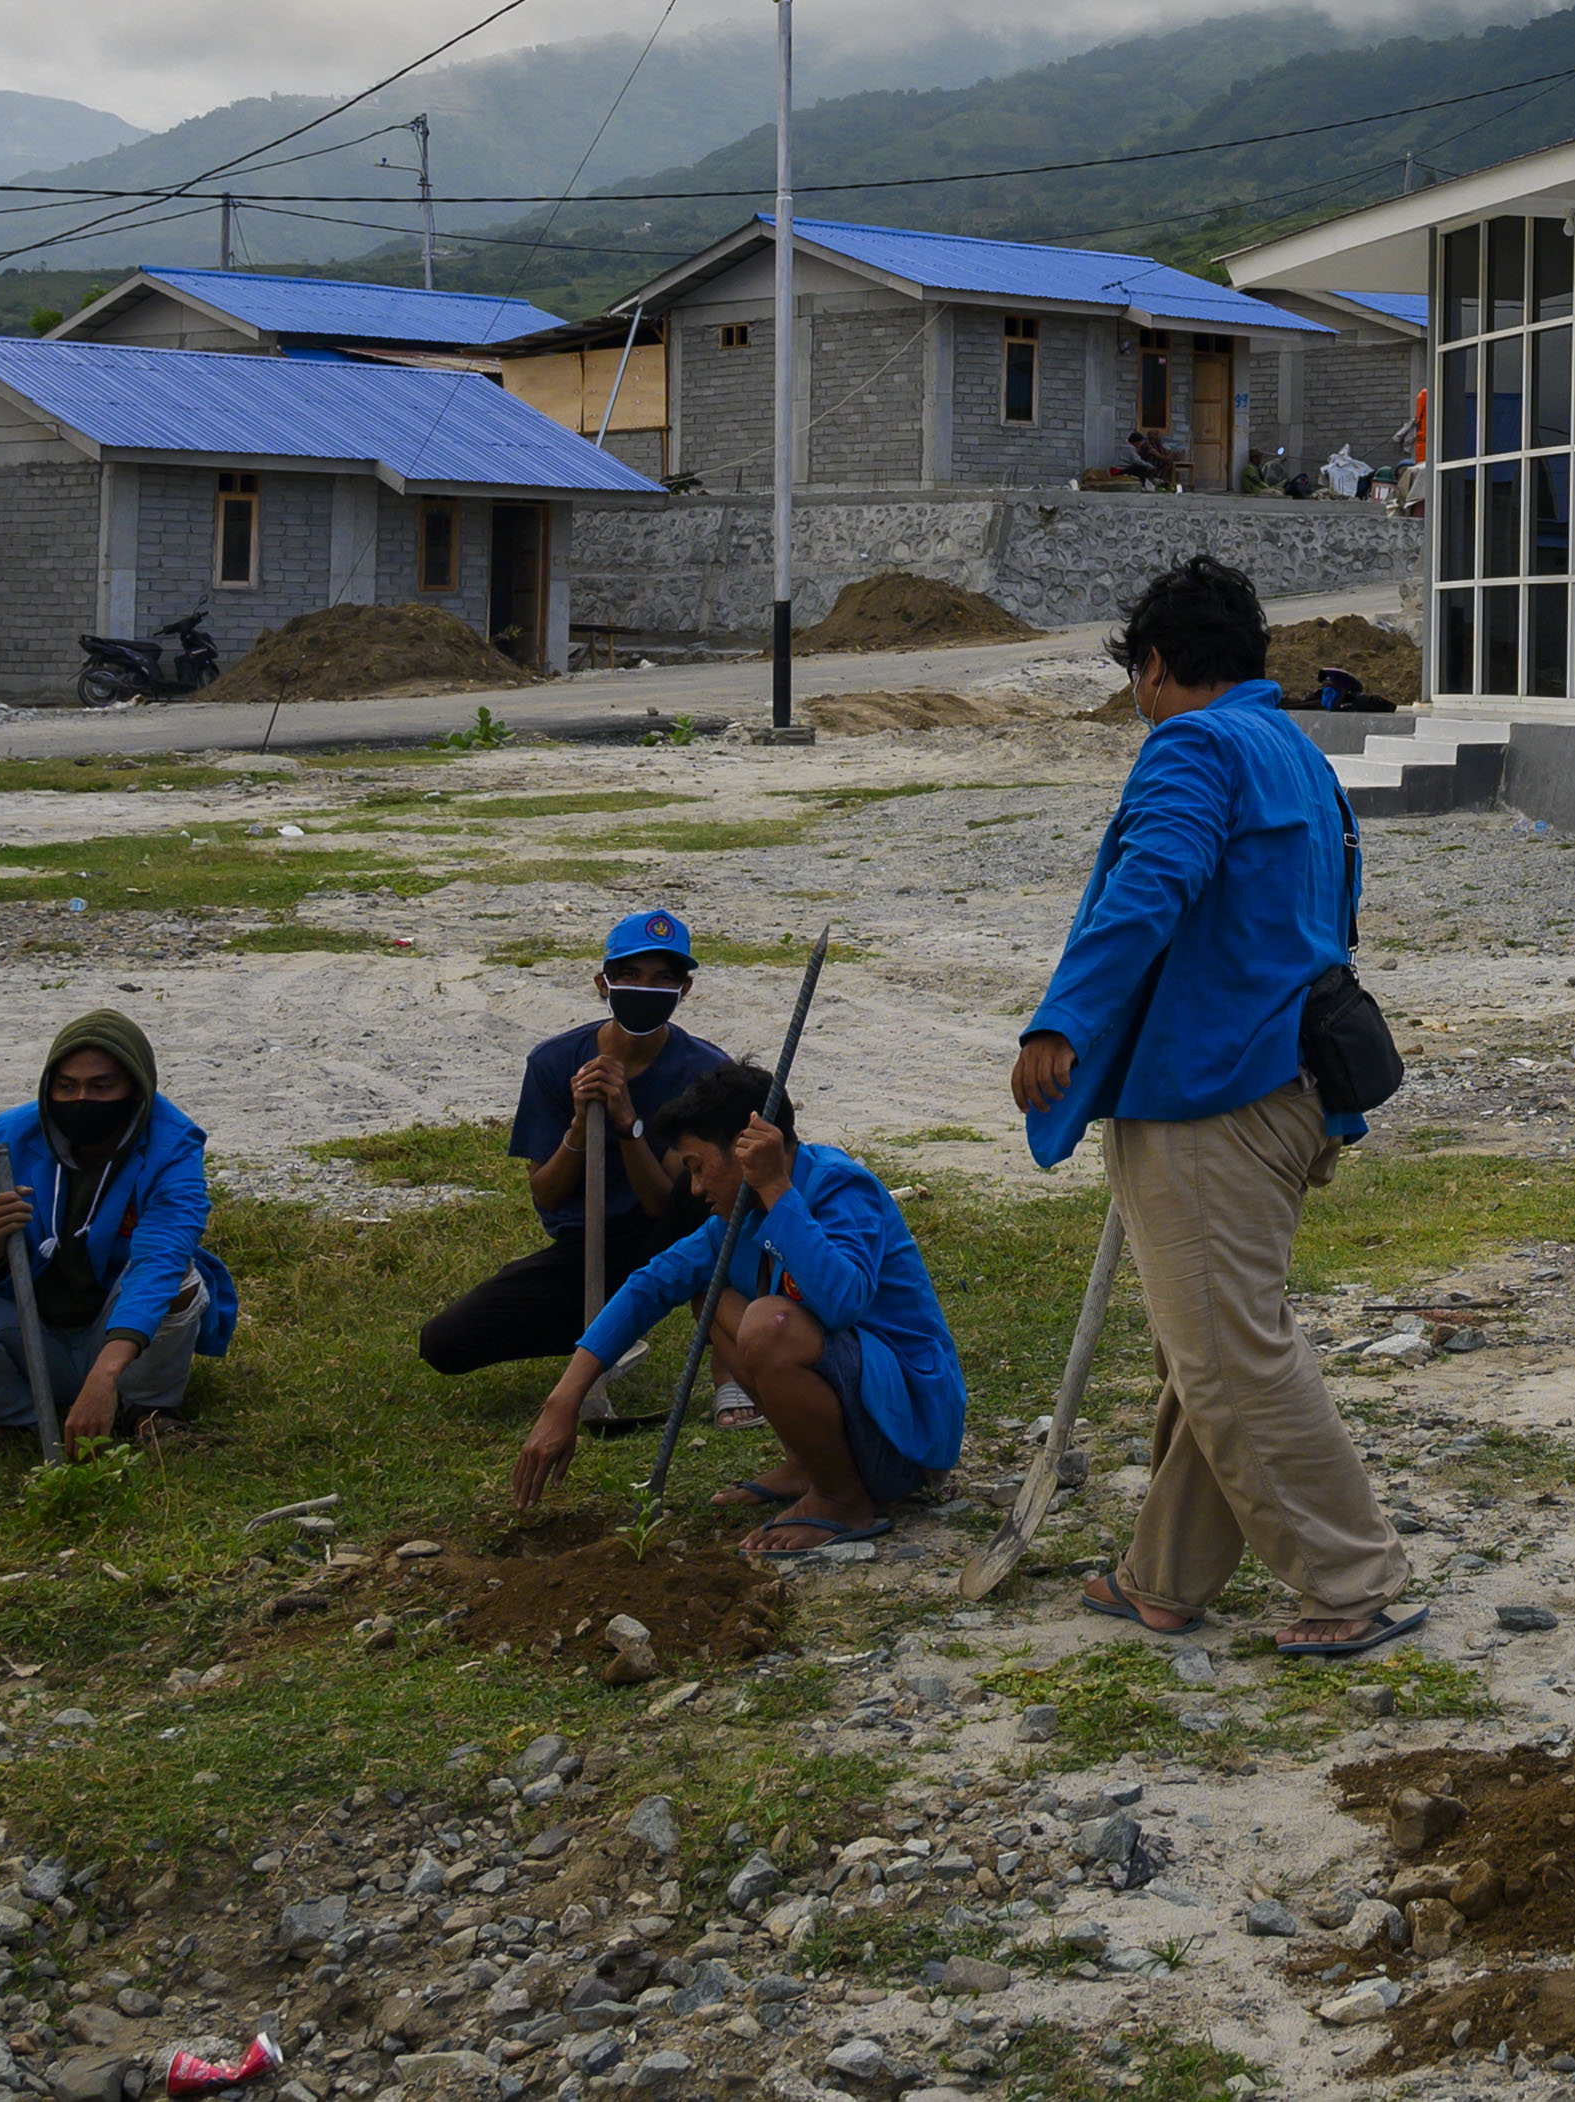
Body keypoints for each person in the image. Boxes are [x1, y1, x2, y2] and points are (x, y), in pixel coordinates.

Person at [1012, 553, 1423, 1659]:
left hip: (1215, 1097)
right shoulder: (1297, 750)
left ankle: (1348, 1579)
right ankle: (1162, 1578)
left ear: (1152, 668)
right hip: (1292, 1093)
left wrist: (1062, 1022)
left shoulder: (1191, 744)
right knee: (1207, 1343)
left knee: (1231, 1353)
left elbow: (1151, 883)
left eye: (1136, 675)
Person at [513, 1062, 966, 1555]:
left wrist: (775, 1188)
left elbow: (842, 1301)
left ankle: (841, 1500)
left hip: (907, 1440)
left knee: (769, 1325)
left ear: (750, 1148)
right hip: (864, 1418)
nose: (695, 1189)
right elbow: (649, 1286)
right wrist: (564, 1402)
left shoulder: (841, 1188)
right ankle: (809, 1465)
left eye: (698, 1166)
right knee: (707, 1295)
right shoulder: (735, 1223)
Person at [419, 911, 736, 1402]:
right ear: (602, 984)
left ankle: (729, 1374)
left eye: (663, 979)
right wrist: (578, 1128)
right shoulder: (554, 1062)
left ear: (684, 990)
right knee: (445, 1342)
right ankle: (609, 1337)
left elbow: (667, 1206)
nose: (644, 989)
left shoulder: (706, 1072)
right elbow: (546, 1193)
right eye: (629, 975)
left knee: (710, 1216)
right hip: (586, 1246)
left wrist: (628, 1126)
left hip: (669, 1236)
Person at [0, 1010, 238, 1463]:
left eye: (102, 1087)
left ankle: (149, 1406)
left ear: (136, 1088)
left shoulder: (173, 1142)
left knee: (182, 1279)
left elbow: (161, 1257)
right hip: (34, 1333)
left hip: (116, 1331)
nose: (81, 1099)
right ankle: (17, 1418)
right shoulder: (10, 1136)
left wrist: (105, 1374)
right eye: (66, 1087)